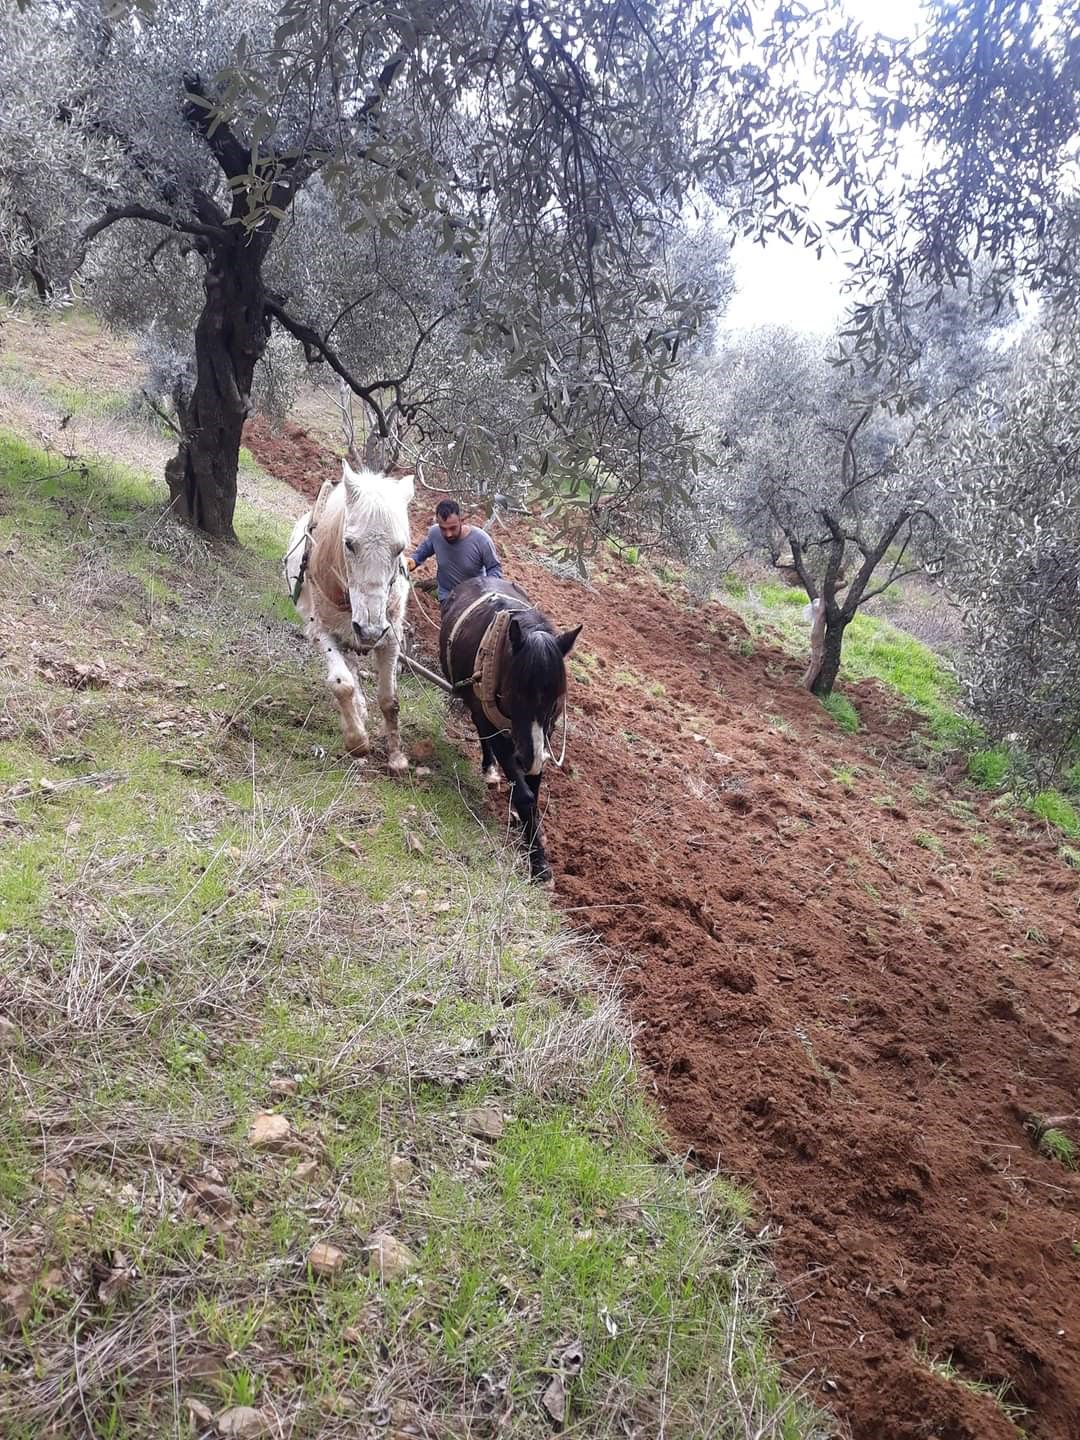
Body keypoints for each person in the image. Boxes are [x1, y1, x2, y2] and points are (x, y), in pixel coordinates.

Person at [407, 499, 503, 604]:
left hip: (475, 600)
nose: (448, 534)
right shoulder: (434, 533)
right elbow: (421, 553)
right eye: (443, 529)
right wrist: (412, 561)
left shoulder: (481, 540)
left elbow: (494, 567)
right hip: (447, 597)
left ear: (461, 520)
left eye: (453, 528)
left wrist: (488, 590)